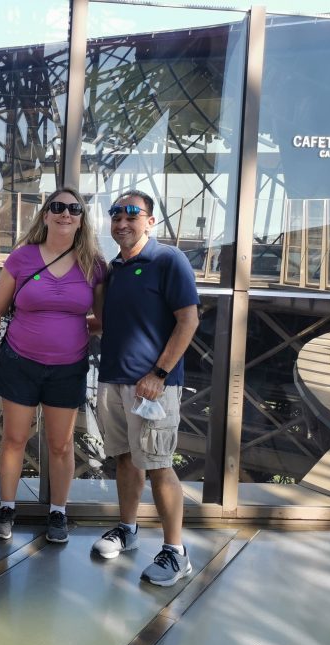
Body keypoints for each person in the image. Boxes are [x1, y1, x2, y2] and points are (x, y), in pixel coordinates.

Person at [0, 188, 106, 544]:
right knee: (14, 439)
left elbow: (101, 318)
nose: (66, 214)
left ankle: (58, 512)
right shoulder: (22, 258)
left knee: (61, 445)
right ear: (46, 215)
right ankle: (7, 507)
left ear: (82, 218)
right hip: (19, 362)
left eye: (74, 209)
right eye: (58, 207)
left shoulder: (94, 265)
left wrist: (70, 329)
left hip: (68, 368)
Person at [92, 191, 200, 587]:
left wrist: (159, 372)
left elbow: (188, 320)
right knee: (124, 458)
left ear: (150, 221)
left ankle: (176, 552)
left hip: (153, 385)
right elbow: (102, 323)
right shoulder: (115, 269)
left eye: (132, 214)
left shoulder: (169, 260)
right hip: (114, 380)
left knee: (158, 464)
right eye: (116, 214)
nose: (122, 221)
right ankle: (127, 528)